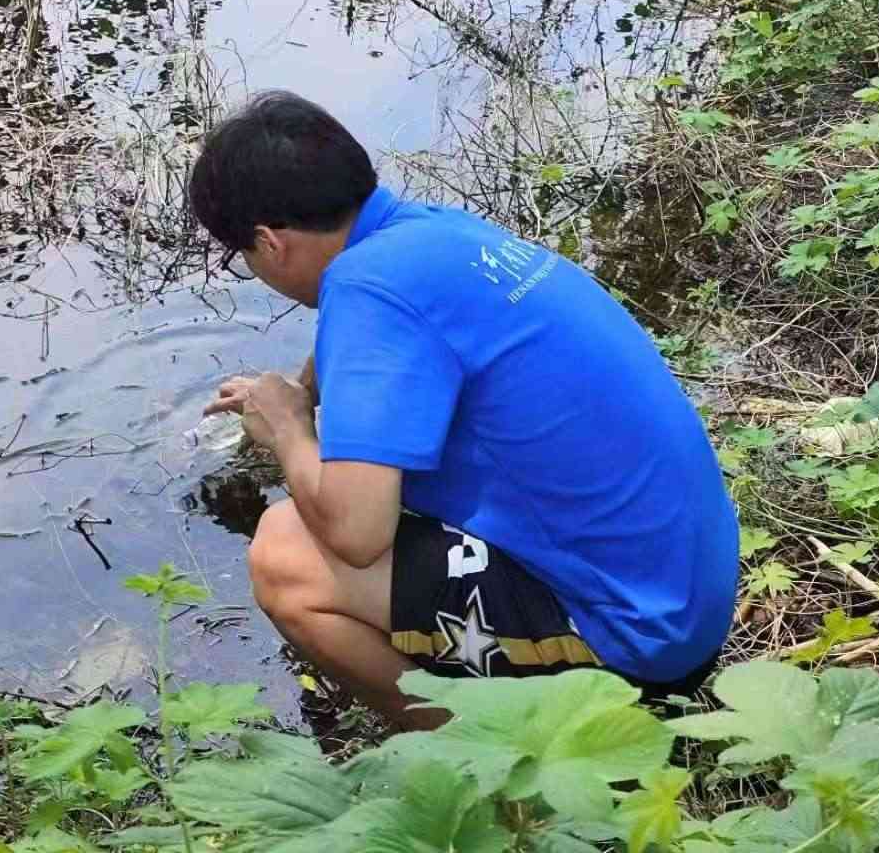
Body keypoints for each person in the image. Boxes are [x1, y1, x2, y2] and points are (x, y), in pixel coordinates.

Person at [190, 91, 738, 730]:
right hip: (687, 587)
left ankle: (481, 754)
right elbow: (399, 336)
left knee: (285, 555)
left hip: (636, 635)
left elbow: (357, 536)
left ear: (268, 242)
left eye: (244, 256)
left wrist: (288, 428)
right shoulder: (429, 232)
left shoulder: (366, 291)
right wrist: (305, 391)